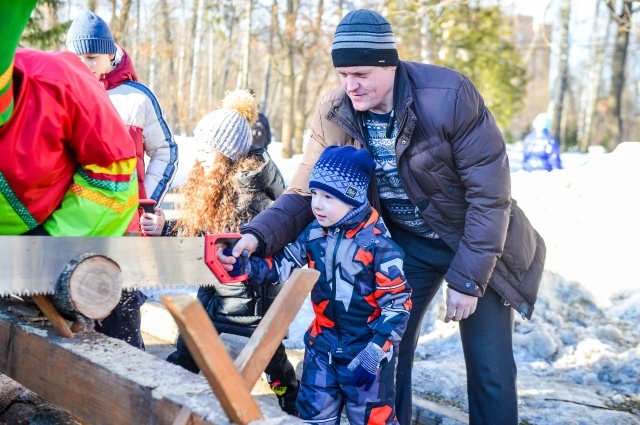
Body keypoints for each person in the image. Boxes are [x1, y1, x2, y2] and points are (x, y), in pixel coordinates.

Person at [220, 9, 546, 425]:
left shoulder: (449, 96)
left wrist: (467, 280)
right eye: (342, 74)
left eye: (360, 74)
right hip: (408, 243)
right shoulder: (335, 110)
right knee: (388, 348)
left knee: (489, 365)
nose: (349, 85)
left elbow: (491, 196)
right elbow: (304, 192)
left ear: (387, 63)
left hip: (480, 242)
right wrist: (257, 237)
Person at [139, 89, 299, 415]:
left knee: (270, 363)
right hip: (215, 292)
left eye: (205, 151)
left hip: (249, 300)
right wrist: (166, 228)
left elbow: (227, 245)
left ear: (227, 154)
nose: (198, 158)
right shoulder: (218, 183)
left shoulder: (251, 194)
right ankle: (166, 410)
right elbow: (203, 233)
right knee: (188, 353)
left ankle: (296, 408)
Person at [230, 145, 411, 424]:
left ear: (353, 198)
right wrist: (245, 266)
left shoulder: (380, 247)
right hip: (321, 350)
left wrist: (375, 352)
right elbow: (282, 265)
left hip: (365, 355)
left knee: (374, 420)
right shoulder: (314, 232)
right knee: (313, 418)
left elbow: (398, 307)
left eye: (328, 196)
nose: (317, 204)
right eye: (314, 194)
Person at [0, 2, 142, 347]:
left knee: (114, 345)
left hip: (100, 234)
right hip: (20, 238)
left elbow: (115, 175)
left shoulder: (60, 82)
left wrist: (51, 244)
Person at [65, 10, 178, 206]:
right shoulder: (65, 96)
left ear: (109, 54)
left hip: (127, 221)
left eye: (92, 57)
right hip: (73, 220)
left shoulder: (138, 98)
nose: (85, 65)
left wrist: (143, 202)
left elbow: (165, 151)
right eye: (78, 58)